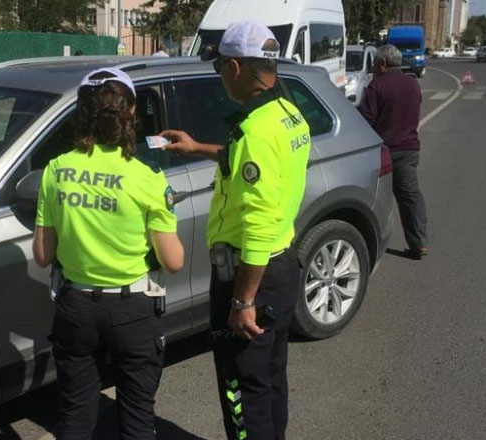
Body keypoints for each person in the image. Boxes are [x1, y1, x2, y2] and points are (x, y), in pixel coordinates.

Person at [159, 21, 311, 440]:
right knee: (270, 380)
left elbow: (258, 224)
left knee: (241, 388)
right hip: (281, 267)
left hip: (249, 275)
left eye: (219, 67)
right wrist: (196, 148)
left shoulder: (255, 131)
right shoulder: (286, 112)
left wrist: (243, 300)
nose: (220, 76)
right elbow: (249, 160)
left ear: (237, 67)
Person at [33, 67, 185, 440]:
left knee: (75, 417)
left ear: (81, 111)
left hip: (75, 309)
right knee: (136, 421)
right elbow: (173, 261)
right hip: (132, 311)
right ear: (130, 111)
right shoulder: (147, 178)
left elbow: (42, 254)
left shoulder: (55, 170)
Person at [359, 44, 429, 259]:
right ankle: (419, 243)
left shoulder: (376, 86)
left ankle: (369, 242)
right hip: (409, 149)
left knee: (374, 197)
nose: (372, 67)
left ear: (383, 64)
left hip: (384, 152)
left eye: (374, 63)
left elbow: (366, 120)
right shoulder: (412, 84)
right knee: (410, 196)